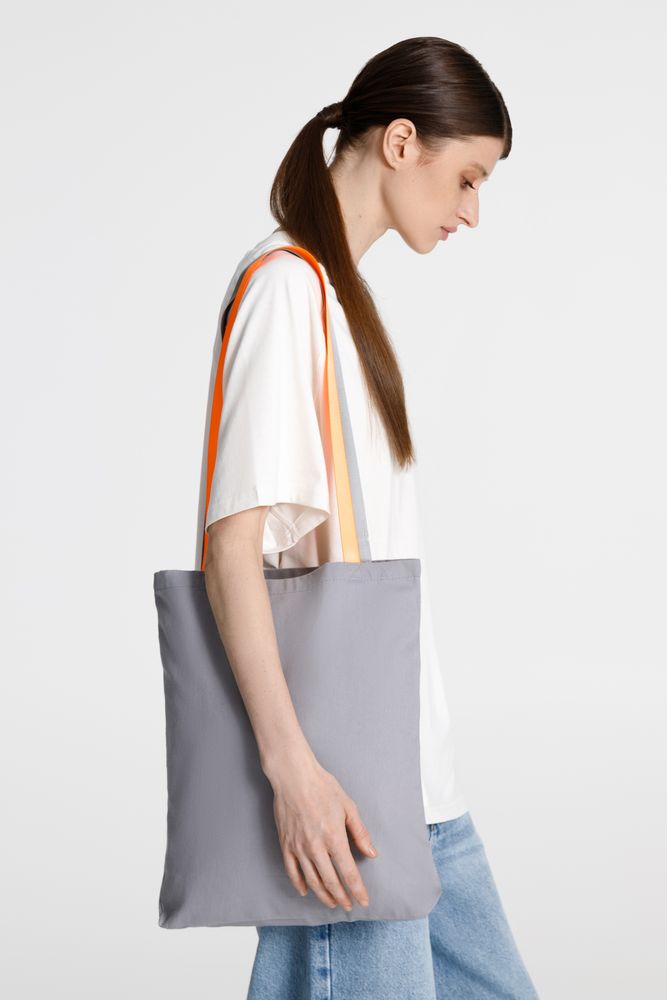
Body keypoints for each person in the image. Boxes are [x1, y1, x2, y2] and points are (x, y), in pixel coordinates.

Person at [198, 34, 541, 1000]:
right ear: (400, 143)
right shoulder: (286, 290)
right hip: (348, 788)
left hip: (415, 784)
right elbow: (234, 548)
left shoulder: (339, 301)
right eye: (467, 177)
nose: (472, 211)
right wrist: (294, 775)